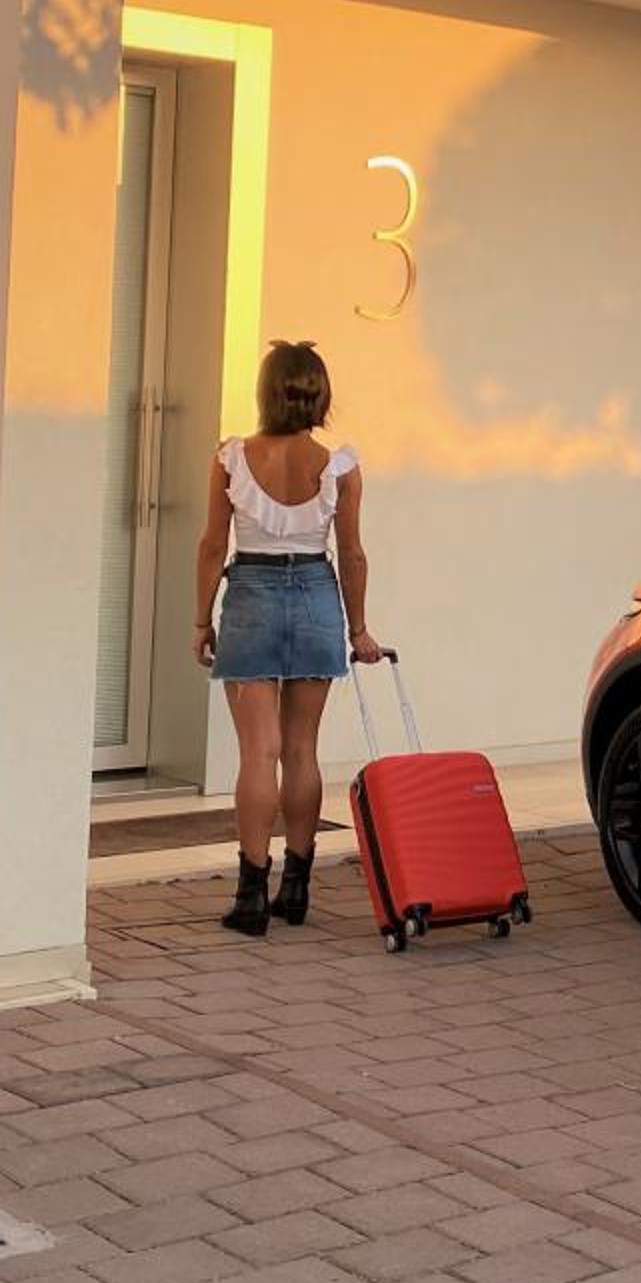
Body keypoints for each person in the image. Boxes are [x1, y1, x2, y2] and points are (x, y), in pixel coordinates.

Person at [193, 340, 384, 936]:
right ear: (320, 396)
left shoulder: (231, 458)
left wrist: (201, 620)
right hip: (317, 597)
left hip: (250, 593)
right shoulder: (339, 468)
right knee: (302, 749)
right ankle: (296, 889)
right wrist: (358, 628)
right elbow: (352, 554)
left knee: (259, 752)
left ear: (265, 393)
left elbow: (212, 545)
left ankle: (250, 896)